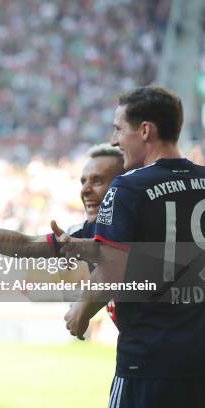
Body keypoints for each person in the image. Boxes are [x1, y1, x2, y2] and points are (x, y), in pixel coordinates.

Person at [64, 86, 205, 407]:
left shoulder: (129, 186)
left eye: (118, 129)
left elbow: (111, 269)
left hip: (149, 364)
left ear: (145, 131)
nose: (114, 140)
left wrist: (80, 311)